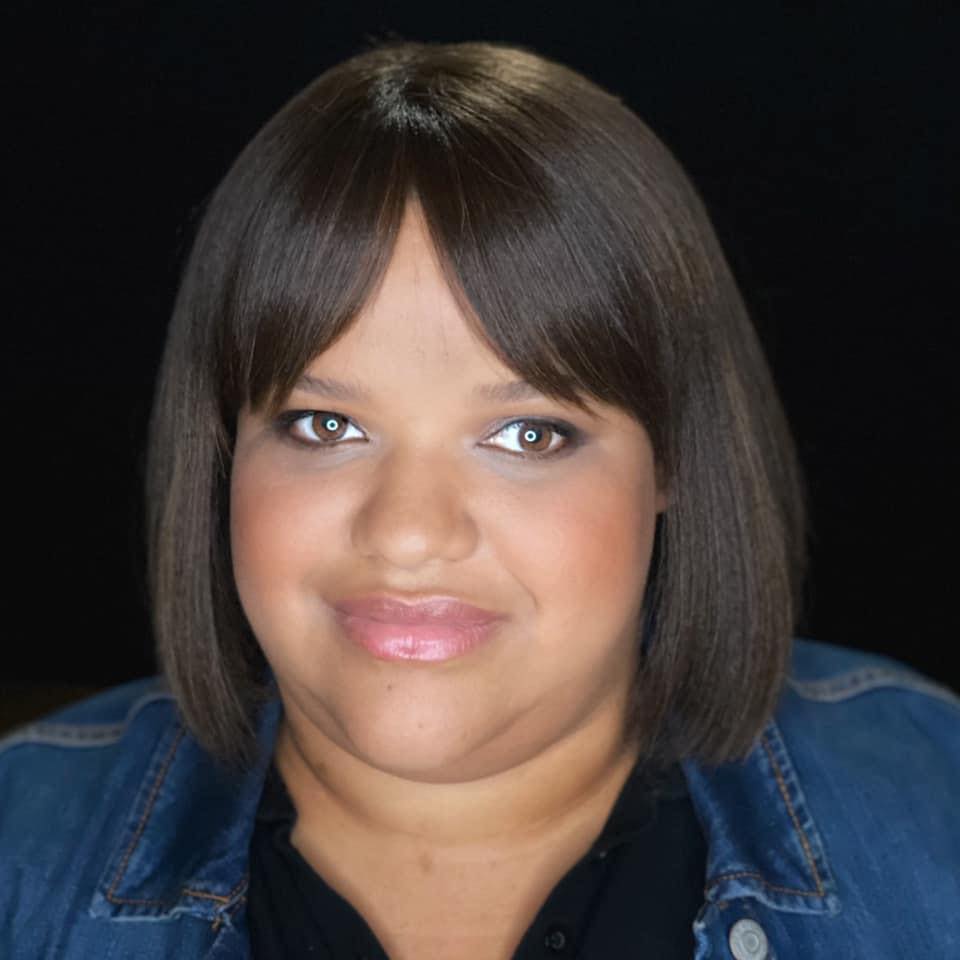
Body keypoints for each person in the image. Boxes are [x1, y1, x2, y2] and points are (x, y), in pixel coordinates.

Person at [2, 39, 958, 960]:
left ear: (673, 458)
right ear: (219, 449)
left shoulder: (936, 805)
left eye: (527, 434)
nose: (410, 533)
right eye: (326, 426)